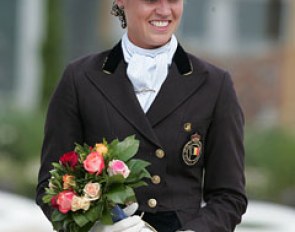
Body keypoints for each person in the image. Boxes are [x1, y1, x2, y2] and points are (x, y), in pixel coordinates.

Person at [36, 0, 247, 231]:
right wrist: (95, 227)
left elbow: (229, 196)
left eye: (174, 0)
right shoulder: (80, 78)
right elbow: (50, 186)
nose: (165, 11)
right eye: (151, 0)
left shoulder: (214, 84)